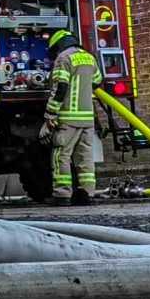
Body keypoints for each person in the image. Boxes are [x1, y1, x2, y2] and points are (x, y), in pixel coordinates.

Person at [39, 29, 103, 205]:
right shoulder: (89, 57)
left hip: (69, 118)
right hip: (88, 119)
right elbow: (97, 80)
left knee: (61, 155)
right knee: (85, 157)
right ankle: (87, 193)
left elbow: (60, 88)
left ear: (58, 46)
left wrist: (50, 113)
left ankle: (62, 194)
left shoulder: (63, 58)